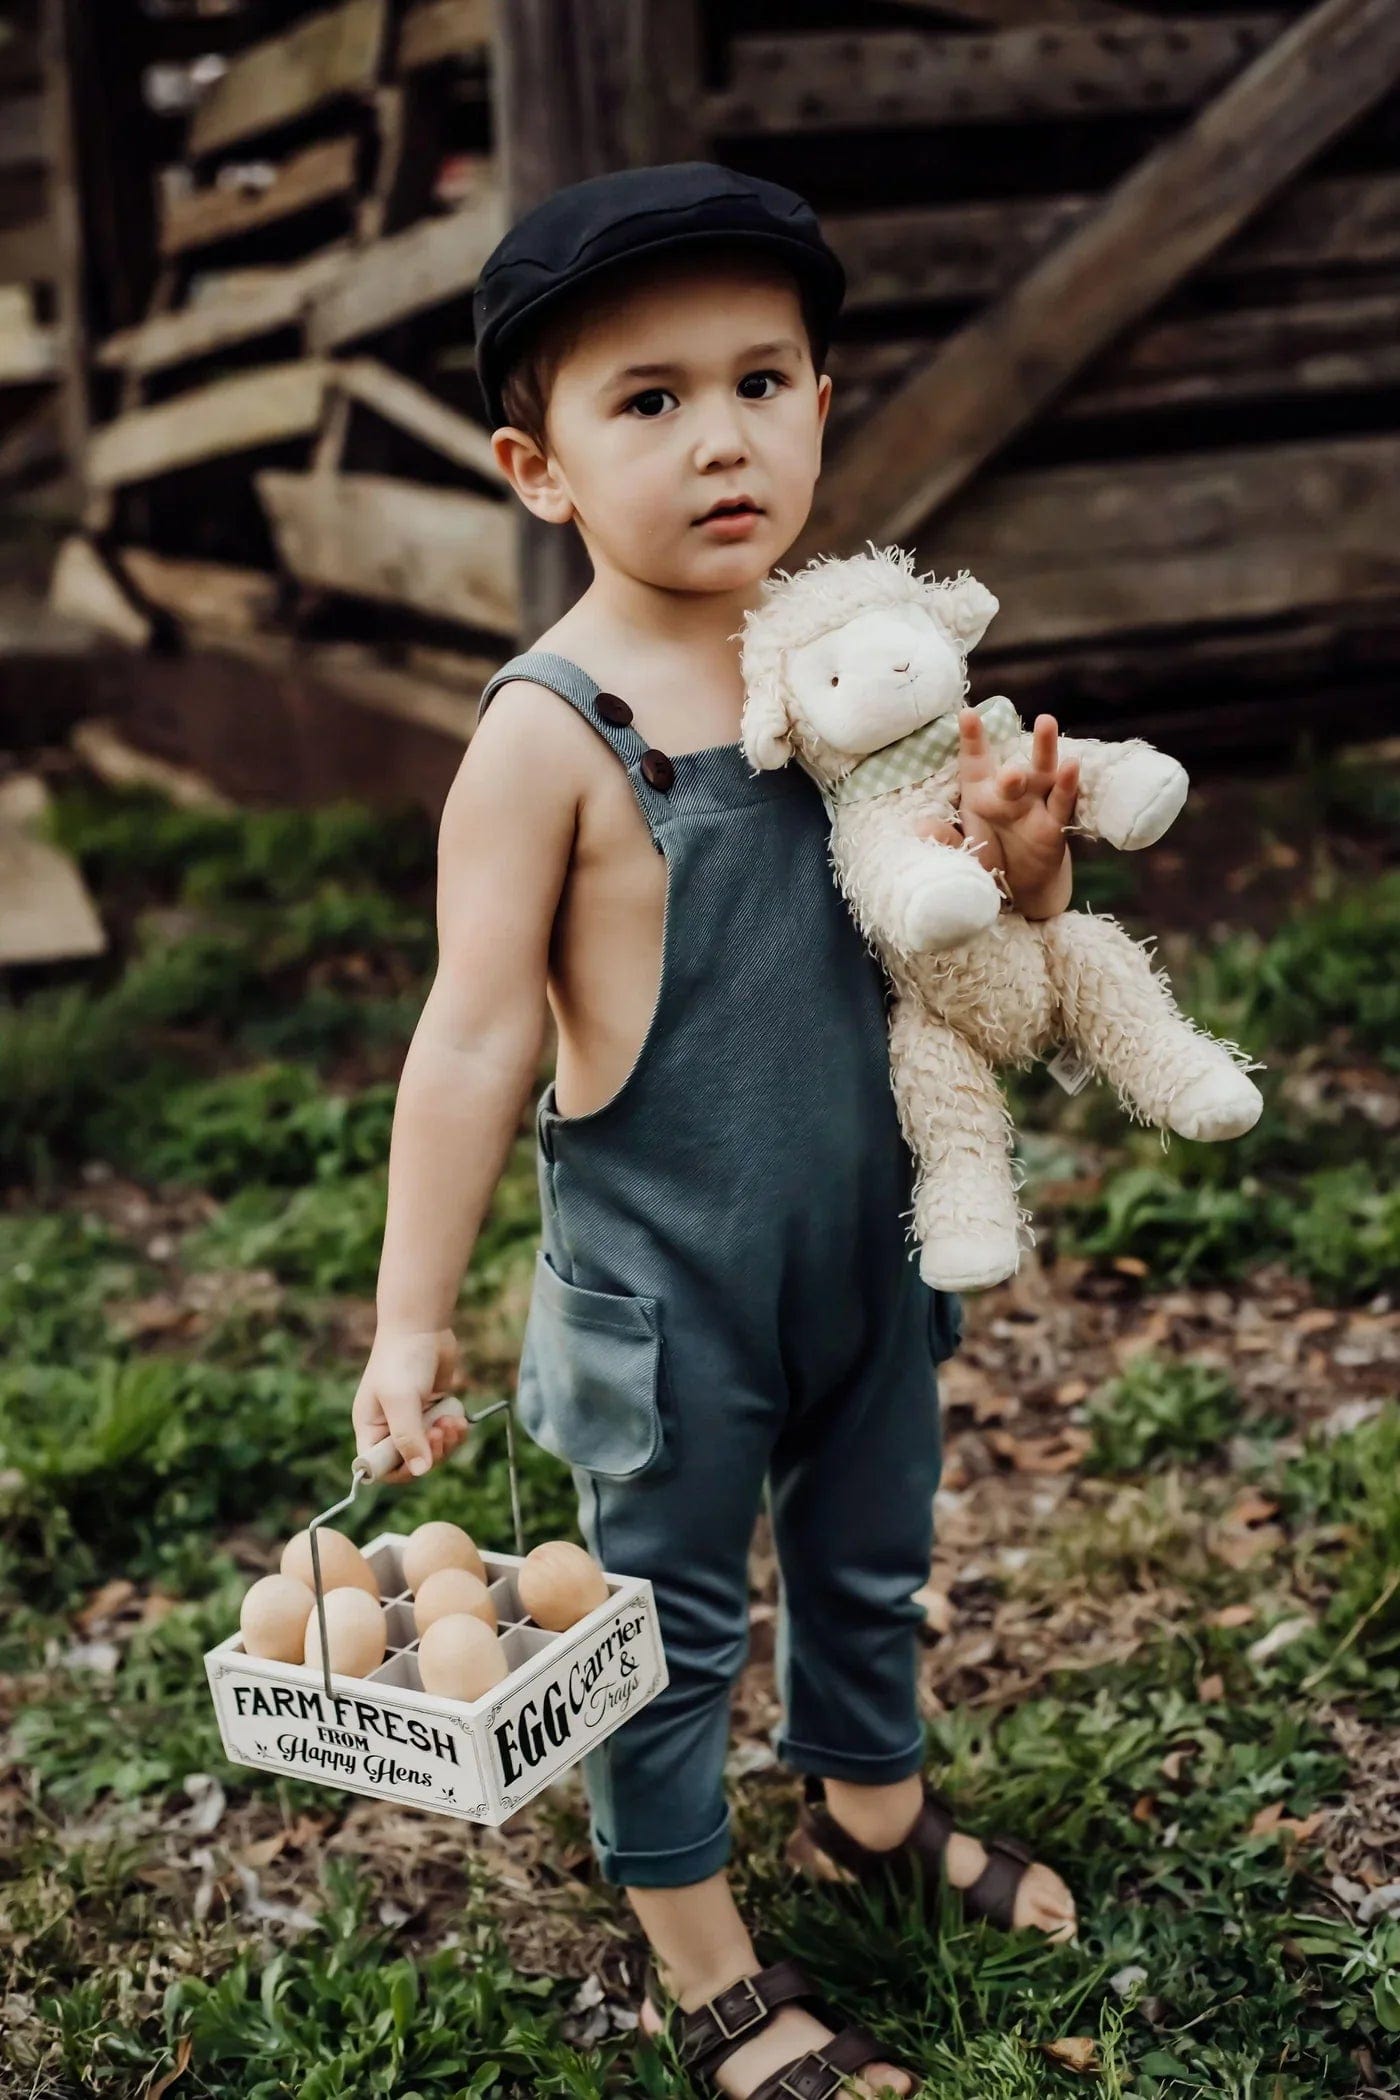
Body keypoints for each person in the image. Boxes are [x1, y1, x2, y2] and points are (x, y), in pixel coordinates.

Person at [353, 161, 1081, 2100]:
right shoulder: (550, 732)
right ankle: (696, 1941)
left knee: (865, 1554)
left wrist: (1020, 869)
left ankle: (864, 1795)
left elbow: (963, 942)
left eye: (761, 381)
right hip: (668, 1297)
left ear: (822, 408)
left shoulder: (864, 675)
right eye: (646, 401)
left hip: (868, 1242)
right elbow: (471, 1034)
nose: (720, 438)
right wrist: (409, 1319)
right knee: (656, 1628)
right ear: (538, 469)